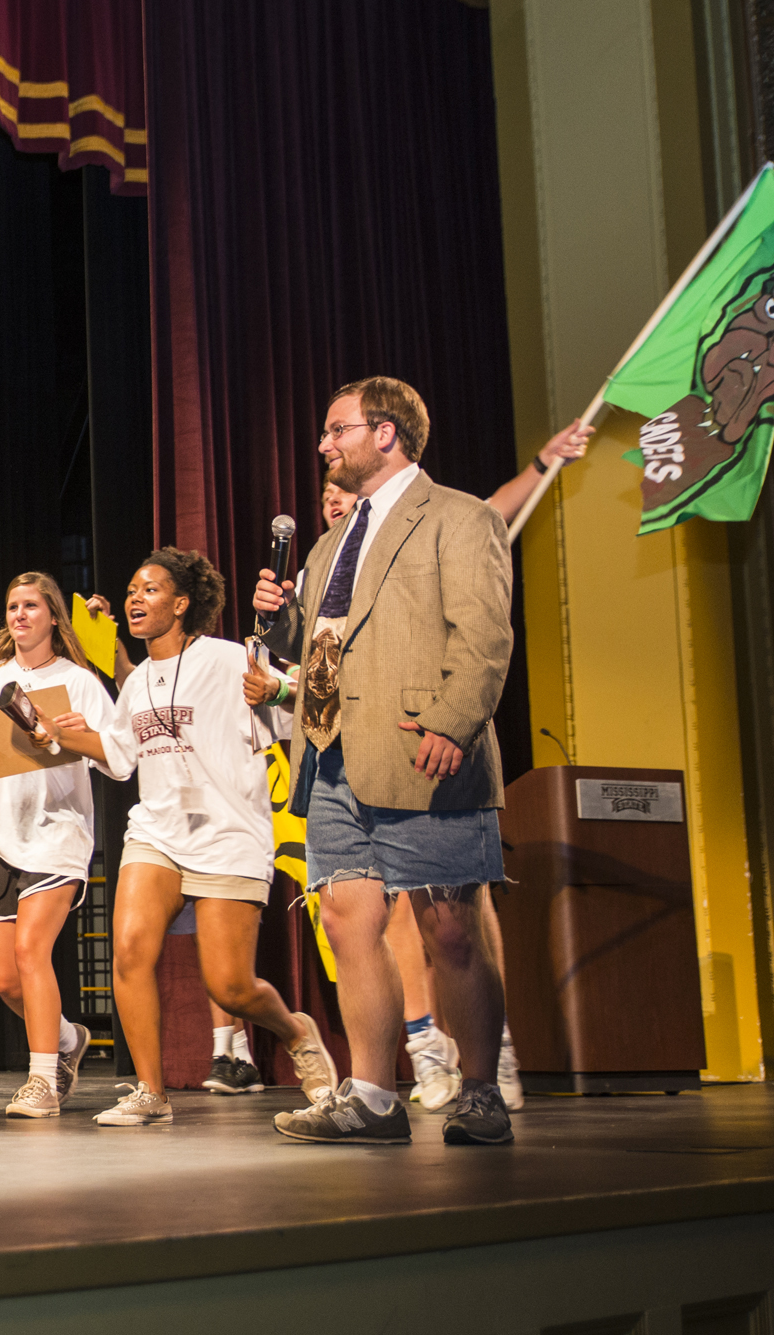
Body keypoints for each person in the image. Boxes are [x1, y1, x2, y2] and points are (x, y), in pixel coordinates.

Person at [253, 375, 518, 1146]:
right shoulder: (333, 541)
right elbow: (320, 649)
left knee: (450, 929)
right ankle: (370, 1093)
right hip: (331, 755)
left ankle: (478, 1091)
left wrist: (453, 720)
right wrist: (281, 625)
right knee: (345, 920)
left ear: (386, 434)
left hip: (422, 745)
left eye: (337, 430)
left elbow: (485, 634)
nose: (324, 444)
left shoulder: (460, 517)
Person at [52, 549, 339, 1128]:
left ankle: (294, 1030)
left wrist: (275, 694)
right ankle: (150, 1092)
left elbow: (309, 707)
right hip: (157, 831)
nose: (134, 598)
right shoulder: (134, 687)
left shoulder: (230, 659)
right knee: (129, 950)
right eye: (131, 588)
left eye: (150, 590)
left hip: (229, 833)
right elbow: (118, 756)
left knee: (230, 986)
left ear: (182, 604)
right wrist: (52, 735)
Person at [0, 573, 108, 1118]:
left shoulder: (77, 681)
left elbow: (115, 753)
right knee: (6, 979)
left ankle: (41, 1081)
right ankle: (67, 1041)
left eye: (31, 605)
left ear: (54, 615)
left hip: (56, 833)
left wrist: (73, 732)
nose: (20, 615)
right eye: (12, 606)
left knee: (33, 954)